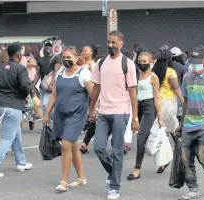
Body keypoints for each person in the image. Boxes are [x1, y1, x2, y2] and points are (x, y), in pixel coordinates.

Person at [89, 31, 139, 200]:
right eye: (108, 42)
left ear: (121, 44)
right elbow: (96, 87)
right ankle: (113, 173)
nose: (110, 45)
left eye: (113, 42)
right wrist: (91, 108)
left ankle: (115, 186)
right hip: (103, 112)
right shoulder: (101, 63)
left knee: (117, 151)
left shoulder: (128, 64)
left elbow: (133, 92)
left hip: (121, 112)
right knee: (98, 147)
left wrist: (135, 118)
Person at [43, 46, 93, 192]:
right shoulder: (60, 72)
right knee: (72, 145)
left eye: (69, 57)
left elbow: (92, 94)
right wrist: (46, 113)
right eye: (64, 57)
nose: (66, 60)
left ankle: (63, 181)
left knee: (65, 145)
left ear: (77, 58)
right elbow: (54, 95)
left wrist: (93, 111)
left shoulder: (84, 73)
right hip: (60, 114)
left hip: (76, 115)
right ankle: (81, 178)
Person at [176, 45, 204, 199]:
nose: (194, 64)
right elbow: (185, 101)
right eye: (192, 61)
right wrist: (181, 123)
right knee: (187, 159)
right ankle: (193, 188)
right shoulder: (187, 77)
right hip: (188, 125)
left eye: (197, 61)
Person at [0, 42, 33, 178]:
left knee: (15, 134)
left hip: (0, 105)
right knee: (7, 138)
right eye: (21, 53)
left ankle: (21, 162)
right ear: (18, 54)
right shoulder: (21, 69)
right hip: (13, 105)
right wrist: (24, 95)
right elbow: (25, 87)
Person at [126, 52, 163, 181]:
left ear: (150, 61)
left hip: (149, 107)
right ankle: (163, 159)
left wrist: (159, 116)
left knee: (141, 138)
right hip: (138, 106)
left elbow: (157, 97)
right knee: (145, 137)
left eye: (144, 61)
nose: (142, 63)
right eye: (140, 61)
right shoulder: (135, 76)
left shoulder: (153, 77)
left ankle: (137, 169)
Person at [33, 40, 62, 127]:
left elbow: (56, 71)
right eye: (46, 46)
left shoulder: (56, 58)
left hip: (51, 87)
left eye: (49, 46)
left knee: (47, 105)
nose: (48, 47)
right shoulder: (40, 60)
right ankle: (47, 126)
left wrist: (52, 83)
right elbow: (37, 74)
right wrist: (33, 86)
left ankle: (55, 123)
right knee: (43, 106)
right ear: (44, 47)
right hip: (43, 87)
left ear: (52, 47)